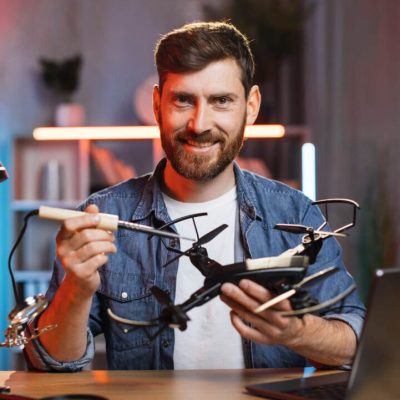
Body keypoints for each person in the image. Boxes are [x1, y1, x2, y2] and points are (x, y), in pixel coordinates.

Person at [25, 21, 365, 371]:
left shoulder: (295, 213)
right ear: (157, 105)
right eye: (183, 100)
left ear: (251, 106)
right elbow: (51, 364)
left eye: (221, 101)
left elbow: (355, 343)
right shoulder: (103, 216)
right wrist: (76, 291)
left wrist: (296, 331)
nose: (199, 124)